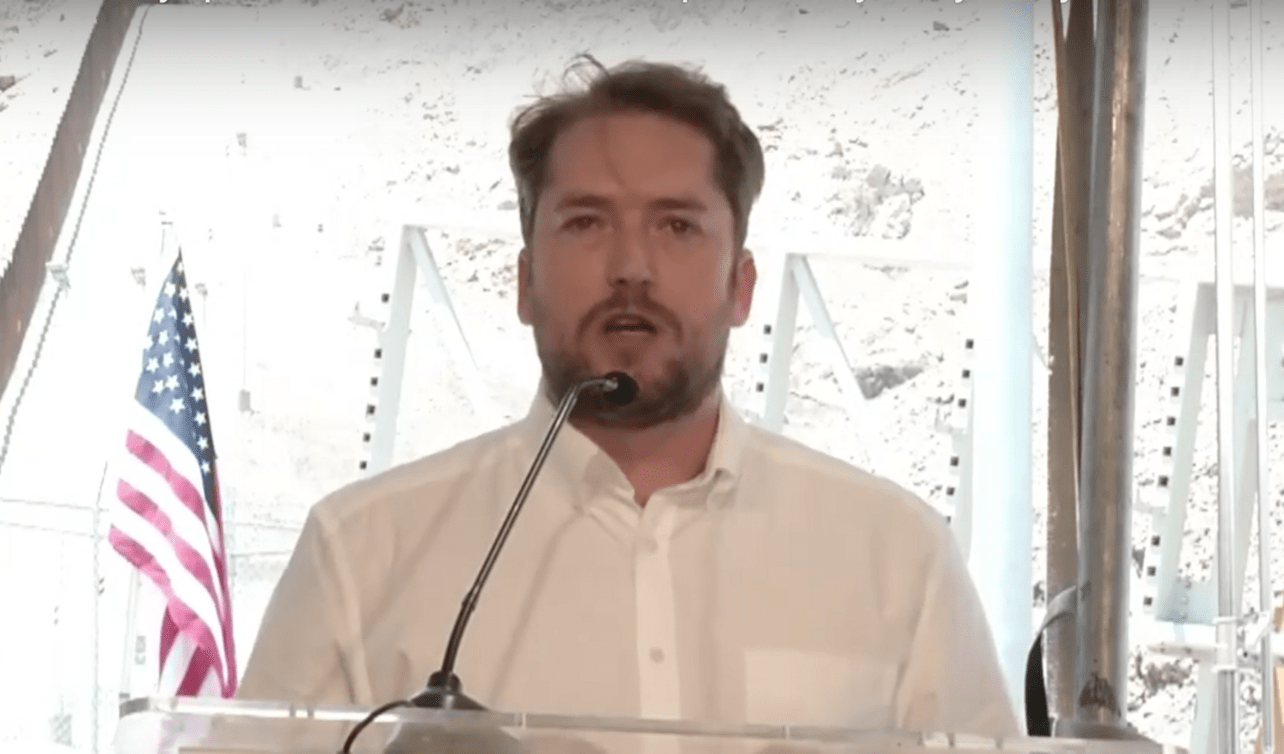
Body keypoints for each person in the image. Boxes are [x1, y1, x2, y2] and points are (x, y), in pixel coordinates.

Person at [236, 54, 1021, 739]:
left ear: (741, 285)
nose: (631, 267)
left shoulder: (896, 555)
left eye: (677, 226)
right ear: (523, 280)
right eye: (585, 223)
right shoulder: (363, 550)